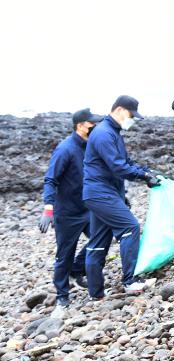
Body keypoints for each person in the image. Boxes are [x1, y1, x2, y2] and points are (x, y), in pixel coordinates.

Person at [83, 95, 161, 299]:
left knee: (99, 241)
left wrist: (147, 171)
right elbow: (117, 166)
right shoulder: (103, 134)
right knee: (130, 227)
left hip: (101, 192)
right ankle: (131, 281)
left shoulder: (112, 132)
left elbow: (126, 161)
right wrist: (143, 176)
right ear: (118, 110)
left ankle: (96, 293)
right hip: (101, 192)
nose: (132, 120)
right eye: (130, 115)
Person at [40, 108, 103, 316]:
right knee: (63, 255)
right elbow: (50, 179)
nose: (95, 126)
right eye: (91, 123)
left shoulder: (91, 146)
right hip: (67, 213)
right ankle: (62, 296)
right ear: (80, 126)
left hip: (88, 207)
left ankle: (77, 270)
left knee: (100, 239)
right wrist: (48, 208)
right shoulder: (65, 149)